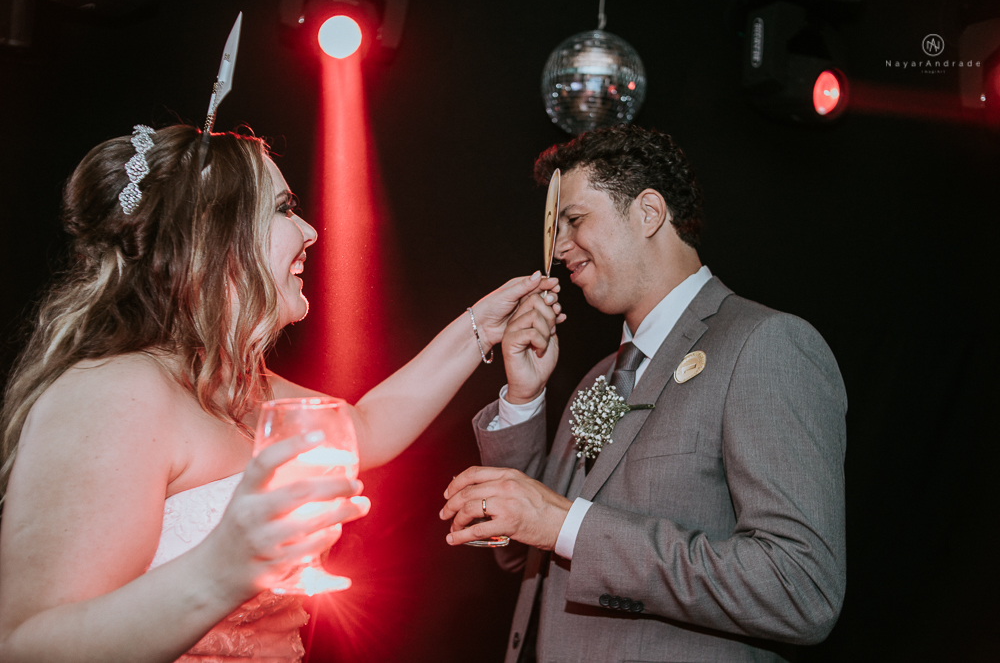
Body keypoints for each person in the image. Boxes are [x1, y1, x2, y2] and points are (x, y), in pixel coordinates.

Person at [0, 124, 561, 663]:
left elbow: (364, 427)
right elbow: (27, 647)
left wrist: (478, 330)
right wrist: (222, 568)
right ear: (210, 236)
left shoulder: (237, 384)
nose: (311, 231)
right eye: (284, 209)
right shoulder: (116, 394)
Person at [441, 125, 847, 662]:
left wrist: (567, 525)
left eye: (575, 220)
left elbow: (800, 588)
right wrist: (523, 396)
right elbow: (517, 556)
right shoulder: (597, 378)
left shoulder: (765, 345)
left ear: (649, 212)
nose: (560, 247)